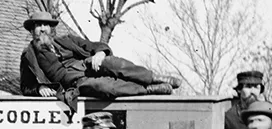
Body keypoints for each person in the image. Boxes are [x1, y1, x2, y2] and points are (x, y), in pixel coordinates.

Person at [19, 11, 180, 110]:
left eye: (45, 25)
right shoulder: (29, 56)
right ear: (32, 30)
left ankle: (155, 78)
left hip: (87, 65)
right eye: (38, 25)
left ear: (50, 28)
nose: (42, 29)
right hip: (75, 82)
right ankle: (150, 89)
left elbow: (94, 45)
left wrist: (100, 54)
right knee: (104, 86)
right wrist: (39, 88)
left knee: (112, 63)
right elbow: (26, 87)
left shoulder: (67, 40)